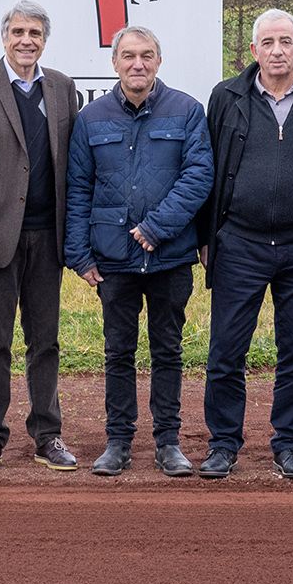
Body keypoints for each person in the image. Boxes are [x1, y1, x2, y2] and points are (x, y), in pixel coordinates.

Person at [195, 9, 293, 481]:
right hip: (239, 244)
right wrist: (210, 237)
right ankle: (223, 444)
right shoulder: (225, 98)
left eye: (286, 41)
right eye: (268, 42)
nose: (277, 51)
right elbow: (208, 173)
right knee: (226, 350)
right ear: (253, 51)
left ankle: (288, 444)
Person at [65, 25, 212, 477]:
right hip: (113, 260)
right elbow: (78, 189)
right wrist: (79, 254)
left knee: (168, 350)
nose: (138, 64)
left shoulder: (187, 111)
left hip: (169, 256)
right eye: (128, 56)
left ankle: (168, 442)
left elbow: (198, 176)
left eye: (146, 56)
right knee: (118, 352)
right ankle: (118, 441)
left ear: (159, 62)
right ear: (114, 63)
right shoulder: (90, 119)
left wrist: (155, 228)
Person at [0, 0, 80, 474]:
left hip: (50, 237)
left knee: (45, 341)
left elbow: (73, 168)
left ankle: (48, 434)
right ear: (4, 37)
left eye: (36, 33)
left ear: (45, 40)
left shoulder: (63, 88)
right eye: (19, 31)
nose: (27, 40)